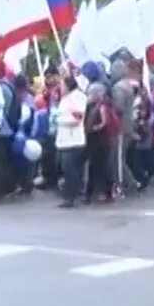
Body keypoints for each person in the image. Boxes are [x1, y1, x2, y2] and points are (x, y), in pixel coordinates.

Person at [55, 77, 88, 208]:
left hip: (73, 139)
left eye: (62, 85)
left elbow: (78, 116)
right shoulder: (66, 98)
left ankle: (71, 196)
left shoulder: (77, 98)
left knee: (69, 169)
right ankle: (70, 194)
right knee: (66, 168)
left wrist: (61, 120)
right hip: (64, 139)